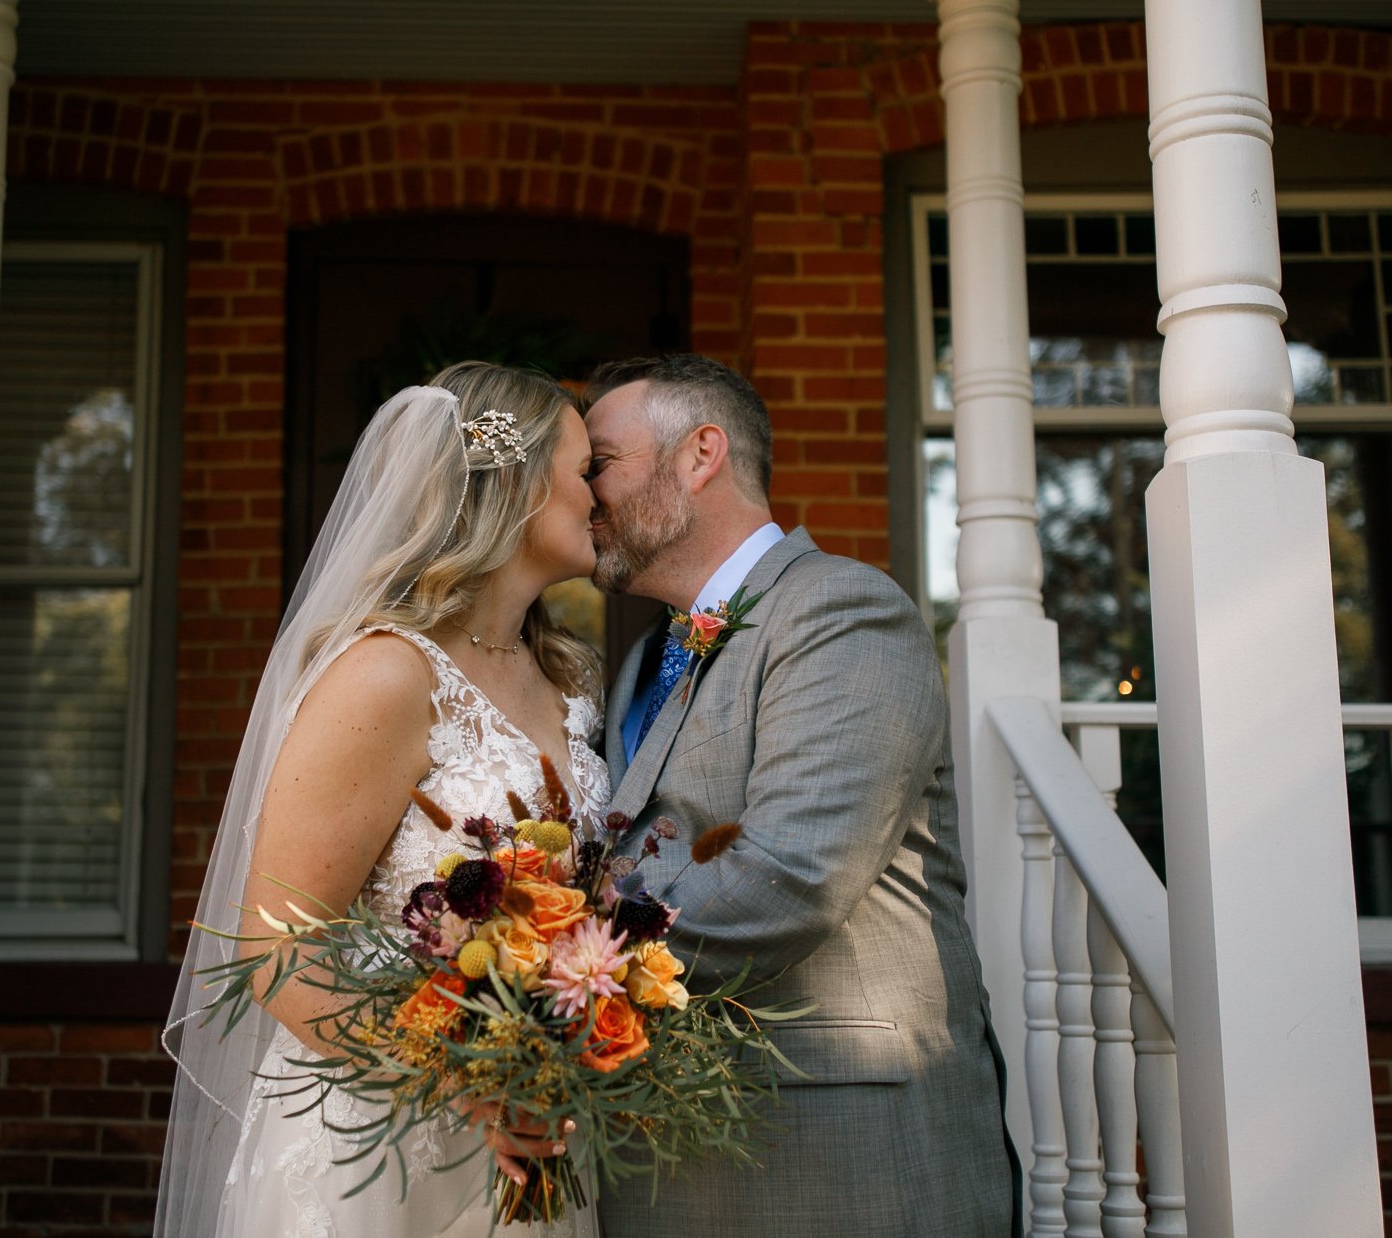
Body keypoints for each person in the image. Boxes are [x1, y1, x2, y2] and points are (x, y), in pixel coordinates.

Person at [157, 361, 611, 1238]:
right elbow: (274, 948)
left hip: (537, 1135)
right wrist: (467, 1079)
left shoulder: (565, 677)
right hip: (381, 1149)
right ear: (516, 479)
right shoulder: (384, 676)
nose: (598, 495)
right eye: (583, 466)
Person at [582, 355, 1019, 1238]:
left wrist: (557, 968)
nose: (587, 492)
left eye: (602, 461)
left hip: (839, 1156)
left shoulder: (842, 611)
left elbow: (787, 876)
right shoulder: (640, 662)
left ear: (700, 453)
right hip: (677, 1149)